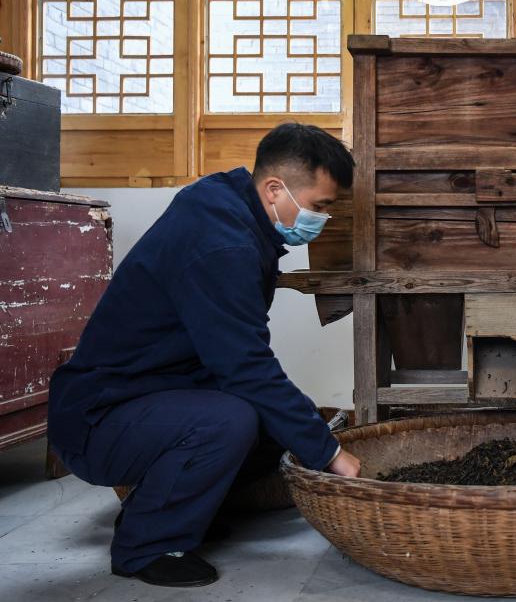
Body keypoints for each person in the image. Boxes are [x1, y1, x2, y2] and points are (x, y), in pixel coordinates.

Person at [48, 123, 360, 586]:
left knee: (277, 424)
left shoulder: (231, 205)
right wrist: (330, 454)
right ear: (275, 190)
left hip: (151, 394)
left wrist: (308, 434)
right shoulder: (222, 242)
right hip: (99, 418)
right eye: (319, 206)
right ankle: (145, 546)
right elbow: (245, 368)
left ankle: (168, 509)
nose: (323, 219)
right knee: (230, 421)